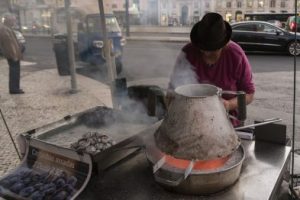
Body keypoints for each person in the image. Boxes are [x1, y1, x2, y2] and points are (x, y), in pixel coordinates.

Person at [168, 12, 255, 126]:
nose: (205, 52)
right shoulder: (188, 52)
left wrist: (228, 104)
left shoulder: (235, 54)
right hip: (190, 122)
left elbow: (249, 94)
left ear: (223, 44)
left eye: (211, 49)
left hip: (227, 122)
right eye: (202, 48)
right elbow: (171, 92)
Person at [0, 14, 24, 94]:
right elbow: (8, 44)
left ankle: (15, 88)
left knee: (15, 71)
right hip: (12, 54)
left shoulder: (7, 28)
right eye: (13, 20)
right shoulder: (4, 29)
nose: (14, 22)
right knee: (14, 71)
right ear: (8, 21)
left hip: (14, 53)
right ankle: (14, 89)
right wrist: (14, 55)